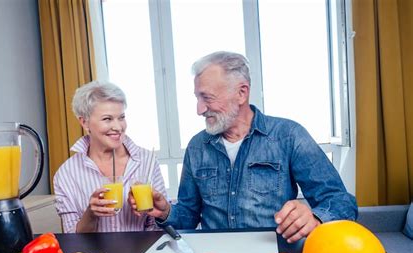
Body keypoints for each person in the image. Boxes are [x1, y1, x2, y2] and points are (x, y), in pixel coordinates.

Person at [130, 51, 358, 243]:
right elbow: (189, 217)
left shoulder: (288, 135)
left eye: (207, 98)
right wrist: (166, 212)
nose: (199, 109)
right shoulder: (197, 146)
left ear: (241, 93)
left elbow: (342, 201)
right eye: (197, 98)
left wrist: (315, 218)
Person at [54, 81, 166, 233]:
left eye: (121, 117)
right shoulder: (67, 173)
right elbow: (71, 236)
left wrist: (162, 211)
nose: (118, 127)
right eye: (107, 119)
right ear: (84, 122)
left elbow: (159, 227)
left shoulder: (147, 161)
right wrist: (91, 215)